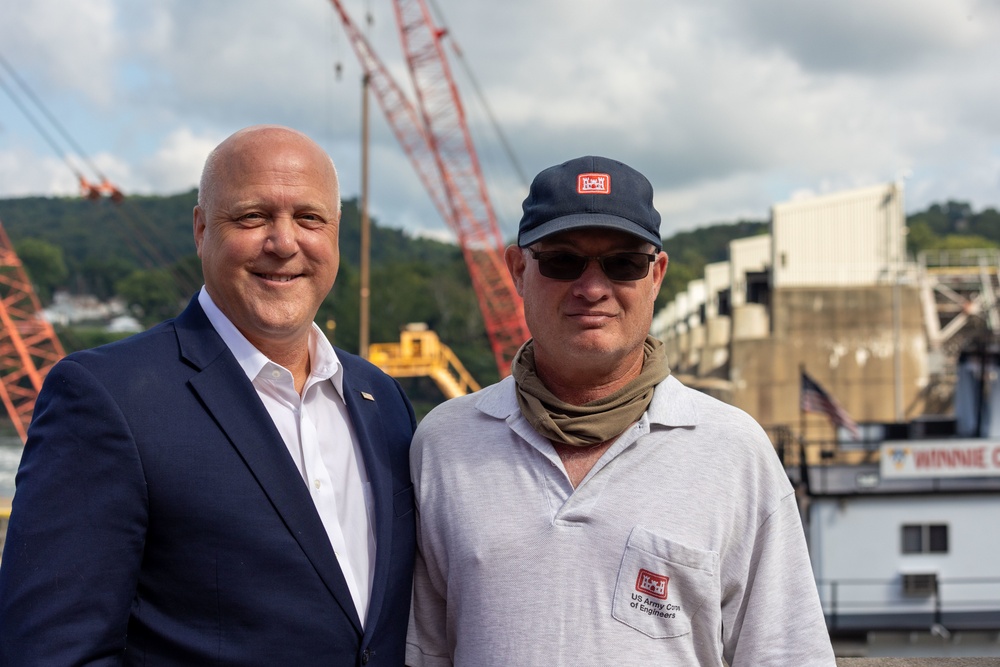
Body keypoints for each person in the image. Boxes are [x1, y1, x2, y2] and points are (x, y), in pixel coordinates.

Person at [0, 125, 417, 665]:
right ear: (200, 229)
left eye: (309, 218)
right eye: (252, 217)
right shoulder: (108, 398)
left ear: (335, 234)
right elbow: (52, 652)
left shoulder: (381, 400)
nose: (285, 242)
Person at [405, 156, 837, 666]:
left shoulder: (734, 451)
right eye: (562, 261)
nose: (592, 288)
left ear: (656, 275)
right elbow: (421, 653)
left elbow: (786, 654)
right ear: (519, 271)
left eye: (623, 263)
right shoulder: (444, 443)